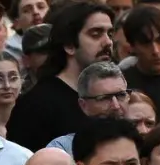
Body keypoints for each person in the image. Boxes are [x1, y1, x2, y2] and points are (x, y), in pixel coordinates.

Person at [6, 2, 113, 152]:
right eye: (96, 34)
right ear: (69, 45)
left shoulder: (116, 96)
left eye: (110, 34)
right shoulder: (37, 105)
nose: (108, 42)